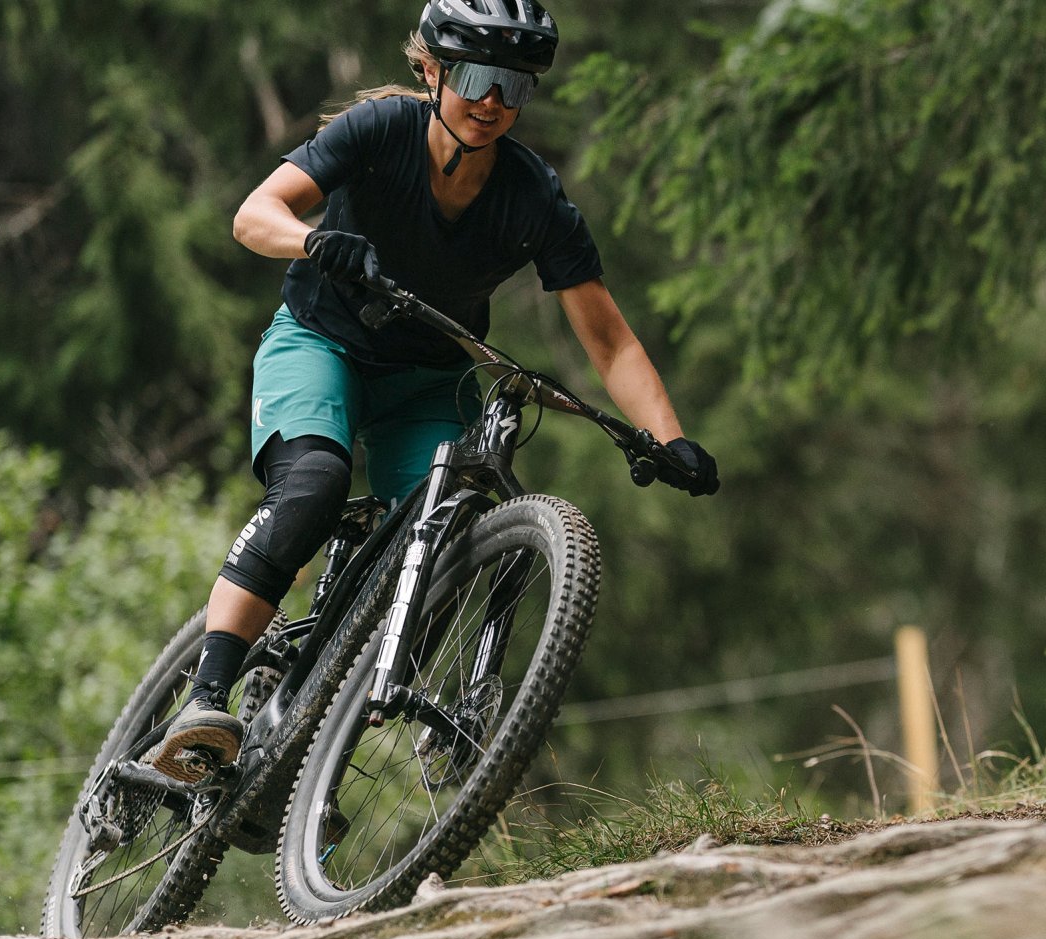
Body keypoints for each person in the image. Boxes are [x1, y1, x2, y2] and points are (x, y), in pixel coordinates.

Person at [151, 0, 717, 780]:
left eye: (514, 87)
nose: (492, 102)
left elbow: (610, 339)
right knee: (313, 485)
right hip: (323, 343)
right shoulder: (380, 130)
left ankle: (324, 729)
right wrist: (315, 240)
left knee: (449, 529)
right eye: (477, 77)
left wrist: (669, 437)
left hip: (429, 379)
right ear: (433, 70)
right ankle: (203, 699)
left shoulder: (532, 198)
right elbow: (255, 215)